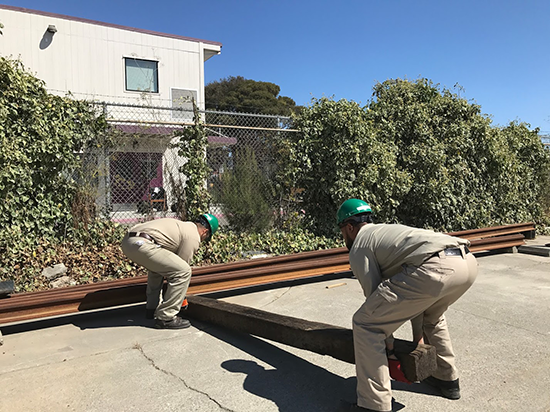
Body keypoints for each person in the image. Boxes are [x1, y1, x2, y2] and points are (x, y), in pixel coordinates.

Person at [336, 199, 477, 412]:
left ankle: (374, 405)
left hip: (435, 268)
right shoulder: (387, 232)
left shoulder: (360, 245)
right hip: (466, 262)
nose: (344, 237)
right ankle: (446, 379)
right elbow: (414, 297)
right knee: (433, 317)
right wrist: (417, 338)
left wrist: (389, 346)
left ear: (349, 227)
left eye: (342, 232)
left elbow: (374, 300)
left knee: (366, 324)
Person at [121, 214, 219, 329]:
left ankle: (151, 309)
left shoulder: (184, 227)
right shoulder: (193, 236)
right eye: (206, 237)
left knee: (157, 270)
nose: (203, 240)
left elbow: (169, 268)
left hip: (128, 242)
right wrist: (179, 299)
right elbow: (181, 270)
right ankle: (166, 317)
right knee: (184, 271)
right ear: (205, 232)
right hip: (143, 243)